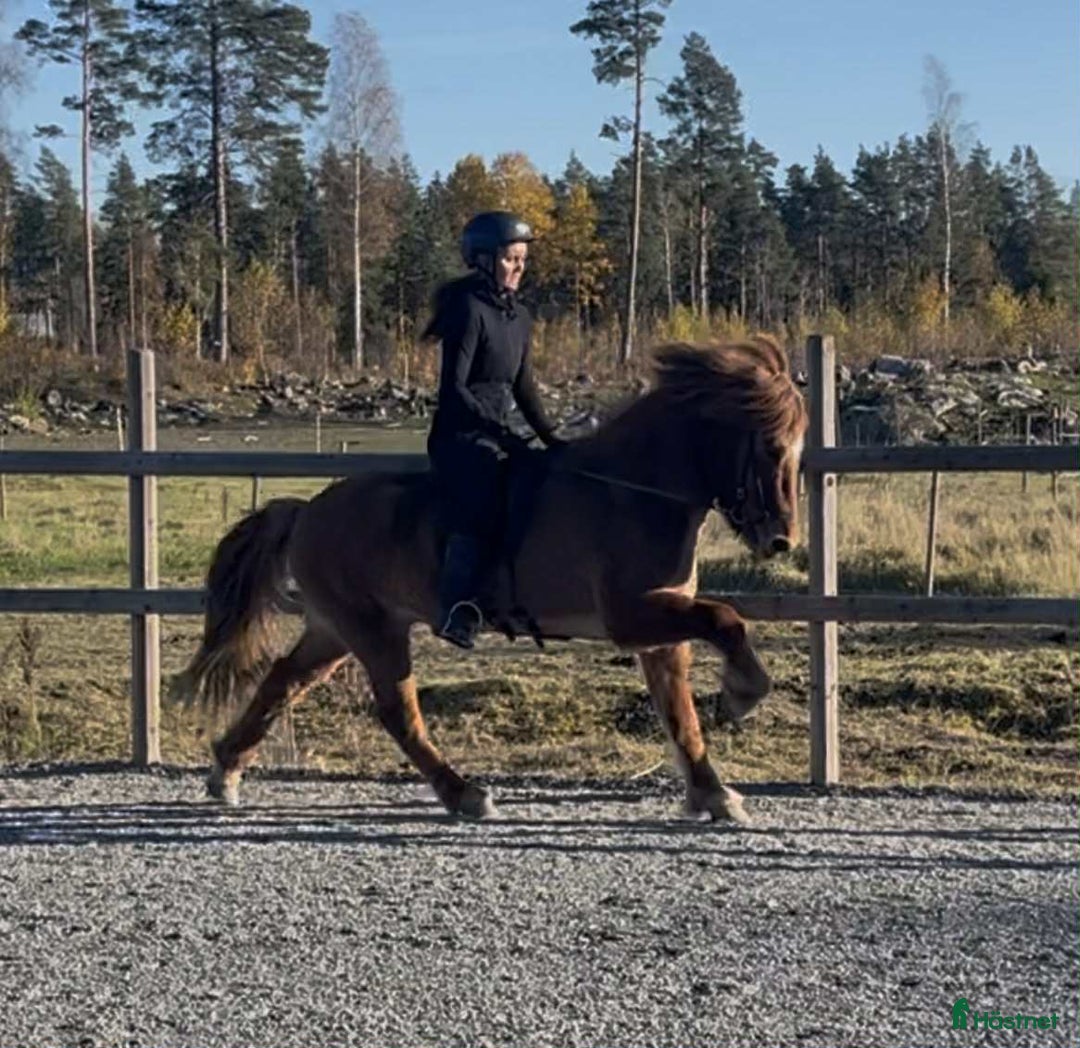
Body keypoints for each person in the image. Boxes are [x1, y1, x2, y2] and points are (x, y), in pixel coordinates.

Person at [423, 210, 565, 650]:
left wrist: (553, 440)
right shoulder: (468, 310)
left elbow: (523, 387)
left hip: (500, 433)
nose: (519, 267)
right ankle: (458, 608)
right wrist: (501, 435)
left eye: (523, 259)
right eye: (511, 258)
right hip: (460, 437)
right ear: (484, 260)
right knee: (482, 503)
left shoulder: (518, 317)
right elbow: (455, 389)